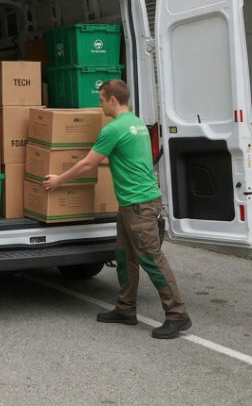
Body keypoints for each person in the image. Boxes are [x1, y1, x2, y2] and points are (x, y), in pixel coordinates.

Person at [44, 79, 191, 339]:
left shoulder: (114, 129)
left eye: (101, 100)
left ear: (113, 100)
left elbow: (89, 164)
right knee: (125, 257)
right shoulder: (137, 124)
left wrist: (58, 180)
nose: (99, 105)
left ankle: (177, 315)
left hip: (139, 204)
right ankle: (125, 309)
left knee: (151, 259)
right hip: (131, 204)